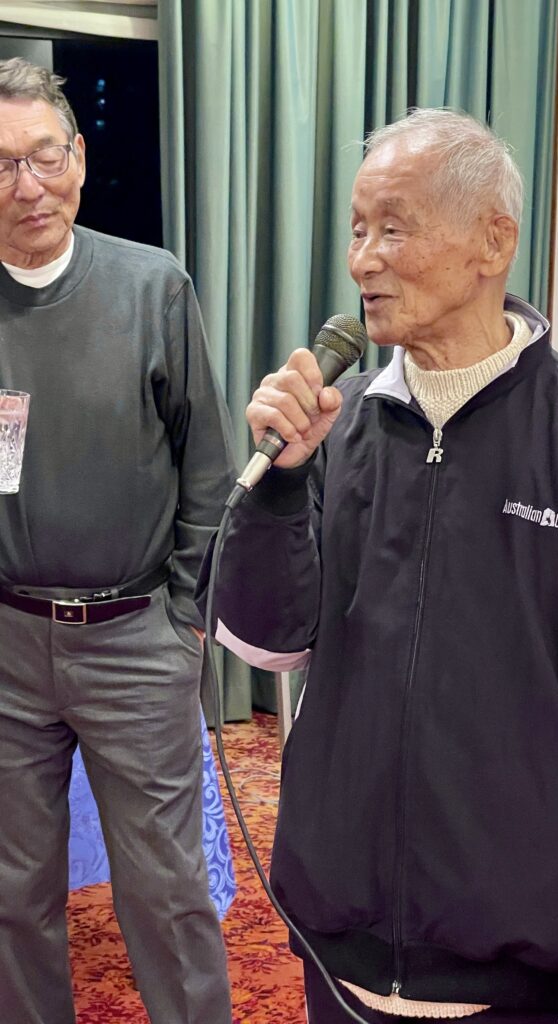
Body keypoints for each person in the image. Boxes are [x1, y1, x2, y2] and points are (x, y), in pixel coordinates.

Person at [204, 109, 558, 1024]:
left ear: (494, 241)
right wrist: (280, 488)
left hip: (518, 954)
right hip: (338, 941)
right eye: (357, 229)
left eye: (393, 228)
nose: (363, 260)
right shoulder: (339, 428)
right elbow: (267, 641)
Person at [0, 58, 234, 1024]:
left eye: (43, 156)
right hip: (9, 643)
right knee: (12, 895)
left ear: (80, 159)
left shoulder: (152, 287)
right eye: (2, 165)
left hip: (137, 637)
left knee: (167, 895)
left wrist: (185, 623)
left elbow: (210, 472)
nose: (27, 186)